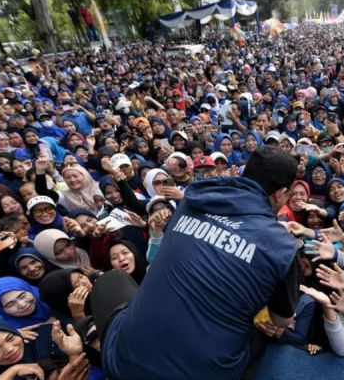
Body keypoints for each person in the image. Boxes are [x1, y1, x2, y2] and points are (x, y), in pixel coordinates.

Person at [94, 146, 300, 379]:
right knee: (259, 334)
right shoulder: (282, 246)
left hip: (124, 361)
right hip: (204, 371)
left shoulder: (191, 202)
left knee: (110, 281)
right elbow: (281, 319)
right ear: (281, 193)